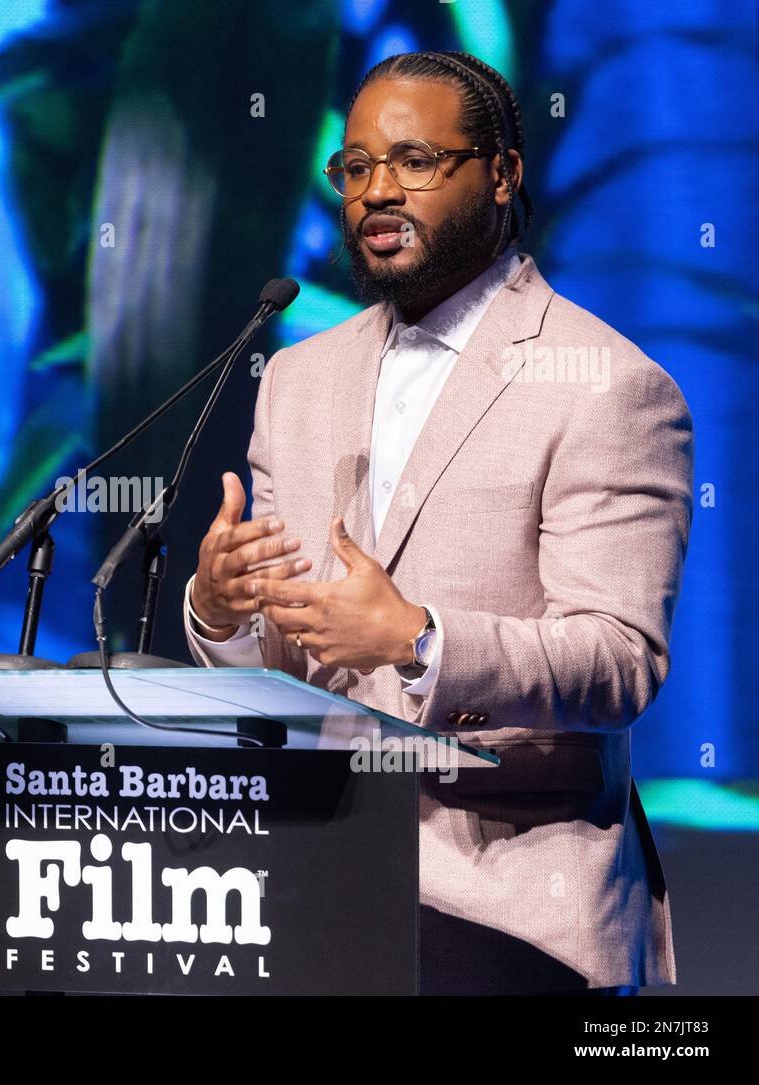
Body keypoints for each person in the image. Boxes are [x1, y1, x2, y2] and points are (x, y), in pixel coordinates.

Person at [183, 50, 692, 995]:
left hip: (502, 907)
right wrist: (222, 609)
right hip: (305, 884)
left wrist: (420, 639)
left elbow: (621, 662)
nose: (379, 190)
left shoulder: (609, 386)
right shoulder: (298, 377)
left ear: (501, 173)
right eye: (357, 166)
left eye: (416, 161)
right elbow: (283, 670)